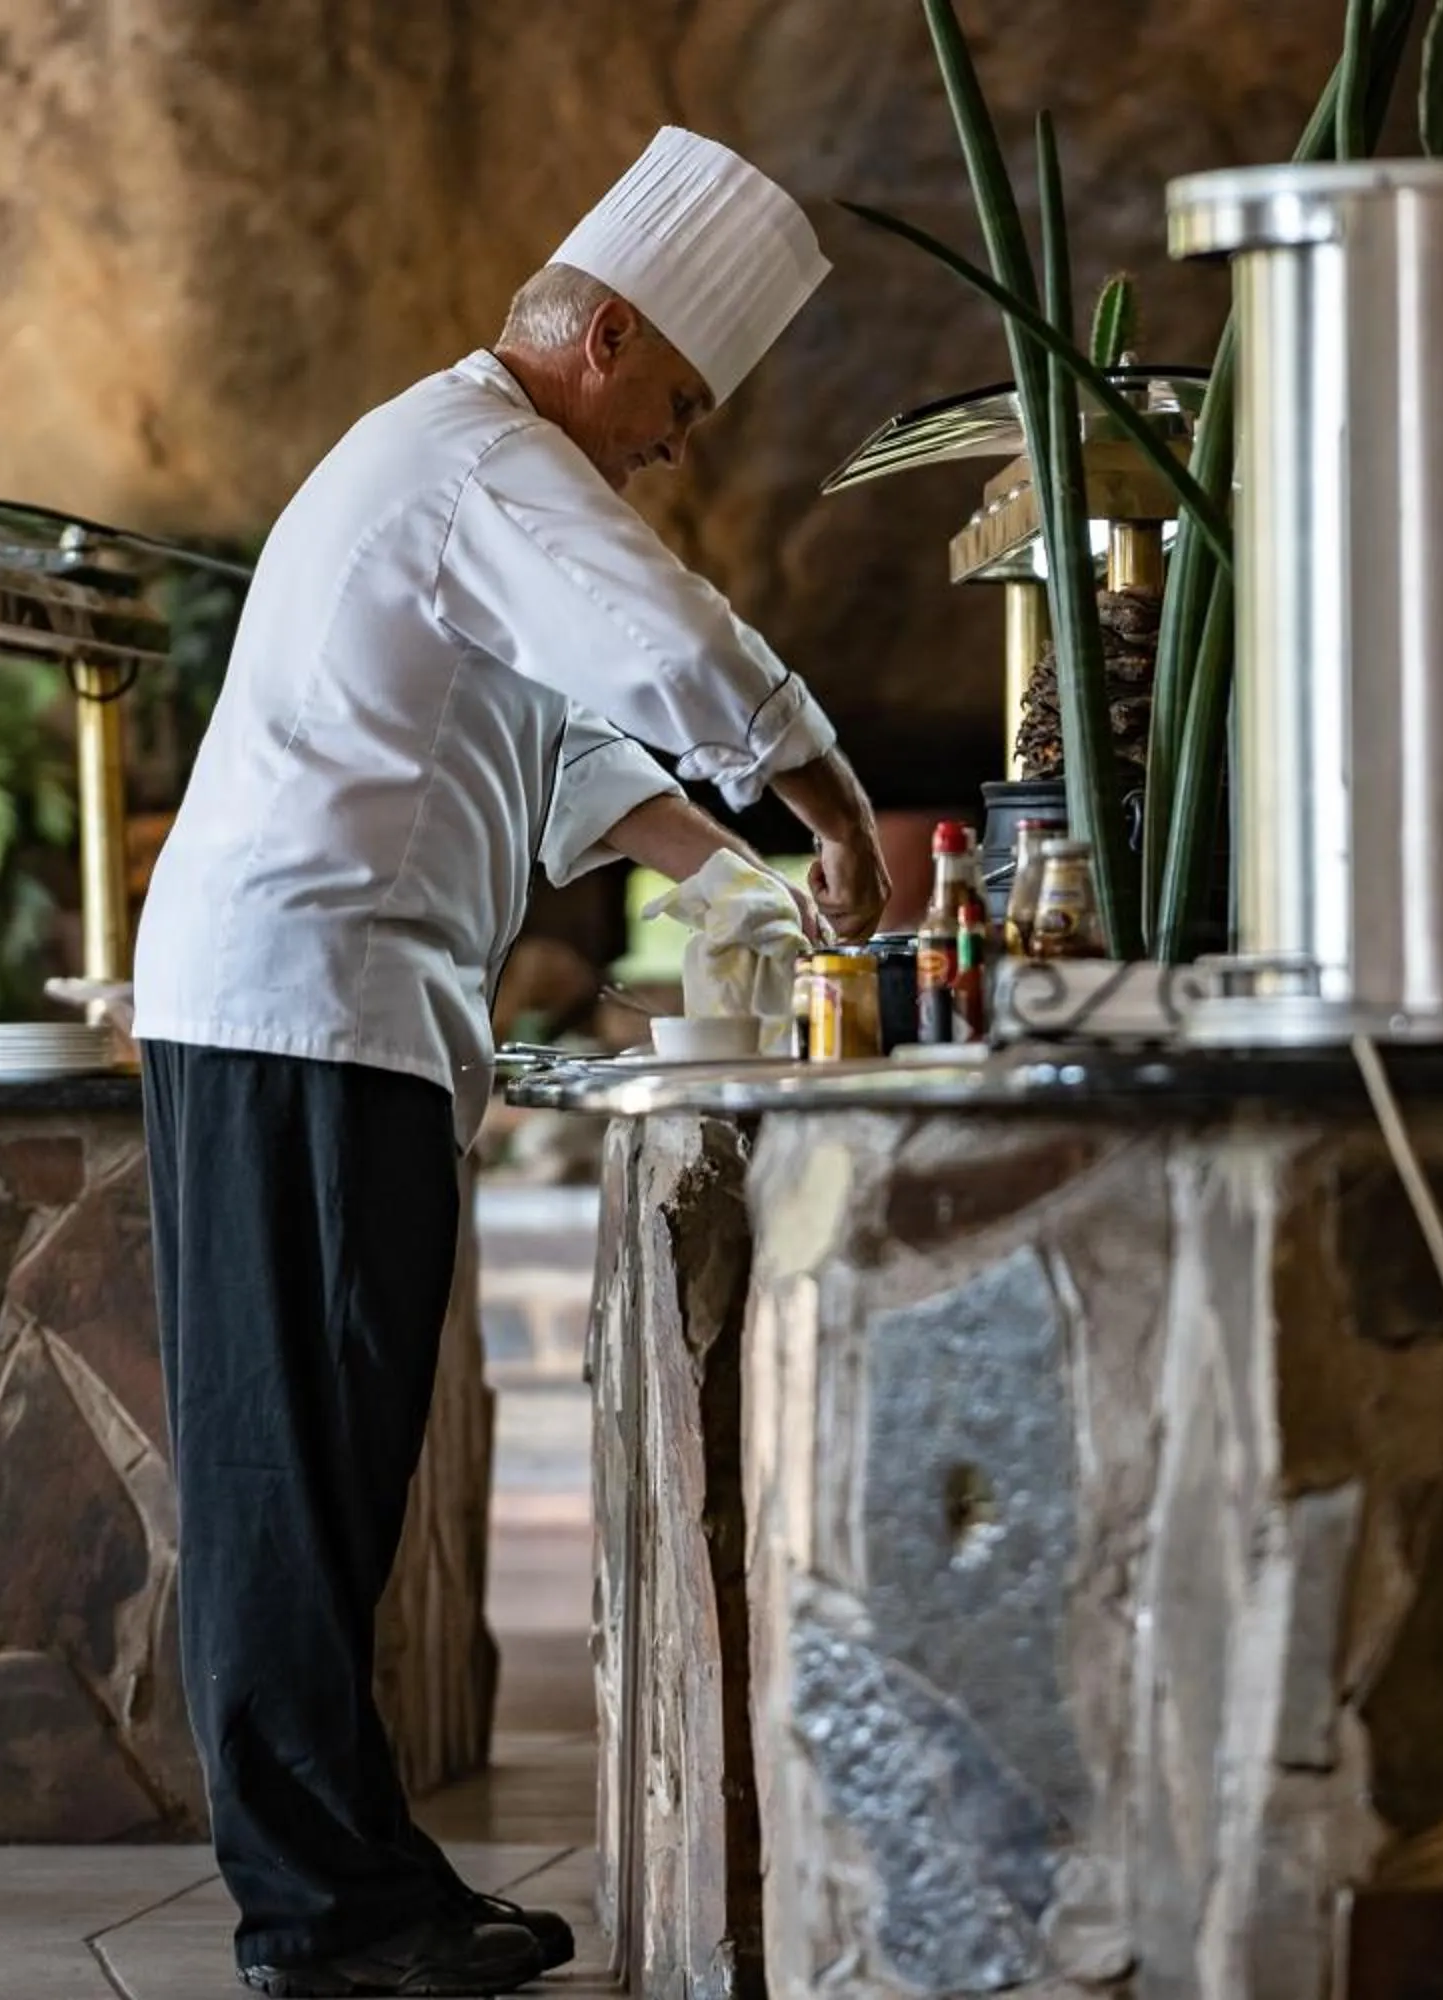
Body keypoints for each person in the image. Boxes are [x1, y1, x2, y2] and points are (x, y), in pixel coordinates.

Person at [132, 127, 885, 1997]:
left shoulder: (460, 468)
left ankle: (361, 1881)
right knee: (294, 1475)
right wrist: (835, 808)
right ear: (606, 338)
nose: (674, 449)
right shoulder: (485, 459)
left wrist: (747, 882)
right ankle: (321, 1921)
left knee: (331, 1470)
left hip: (323, 1016)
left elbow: (564, 753)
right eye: (681, 403)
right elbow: (665, 637)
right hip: (303, 1010)